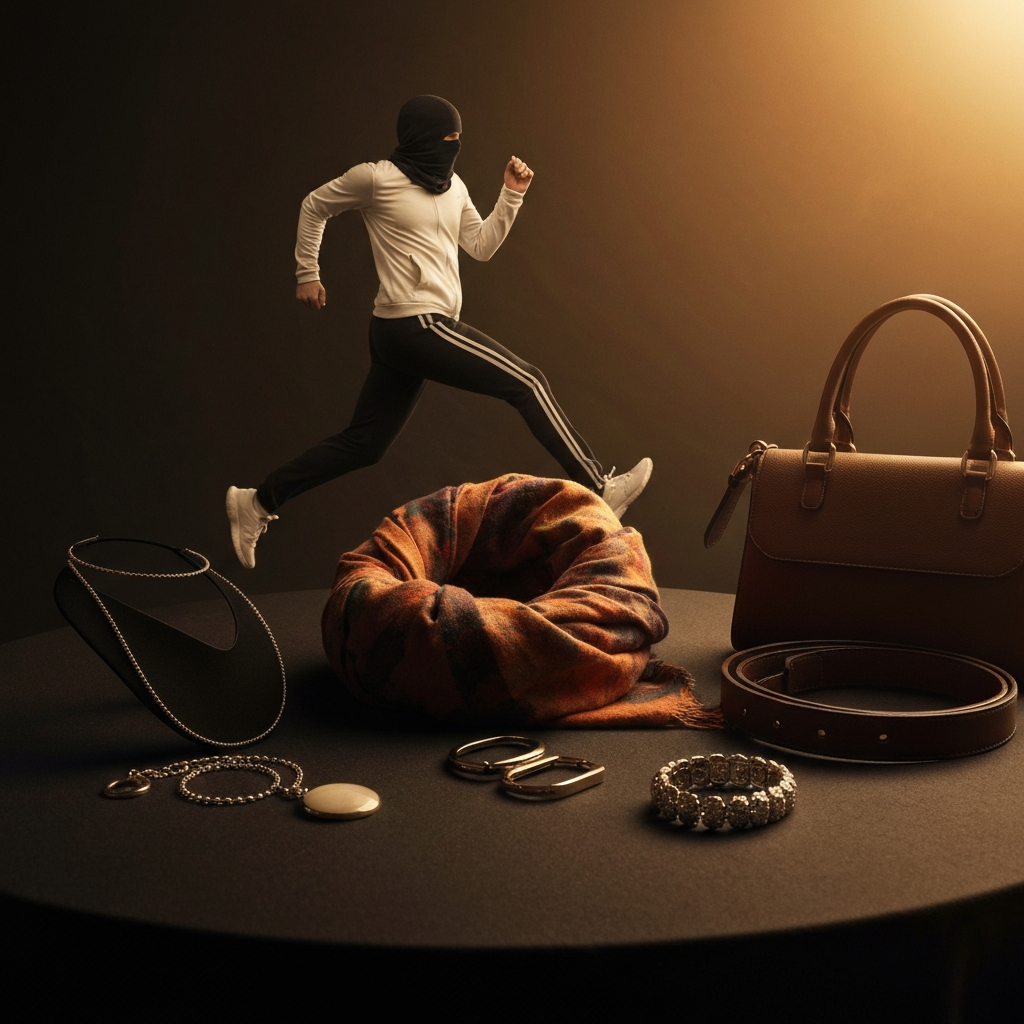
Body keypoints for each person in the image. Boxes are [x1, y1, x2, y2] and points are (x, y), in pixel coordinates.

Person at [226, 95, 652, 568]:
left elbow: (481, 246)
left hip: (407, 331)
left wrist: (511, 195)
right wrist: (308, 271)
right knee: (526, 381)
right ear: (420, 137)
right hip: (414, 323)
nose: (454, 147)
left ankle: (257, 502)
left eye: (459, 139)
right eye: (446, 138)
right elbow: (314, 205)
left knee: (364, 444)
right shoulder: (376, 178)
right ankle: (600, 486)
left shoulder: (454, 187)